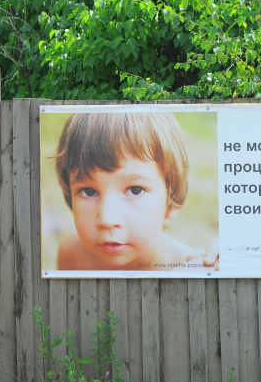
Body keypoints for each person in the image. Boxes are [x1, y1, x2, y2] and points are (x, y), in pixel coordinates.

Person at [54, 112, 219, 271]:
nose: (107, 219)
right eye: (89, 191)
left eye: (135, 190)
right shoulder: (71, 254)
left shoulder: (190, 269)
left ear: (170, 199)